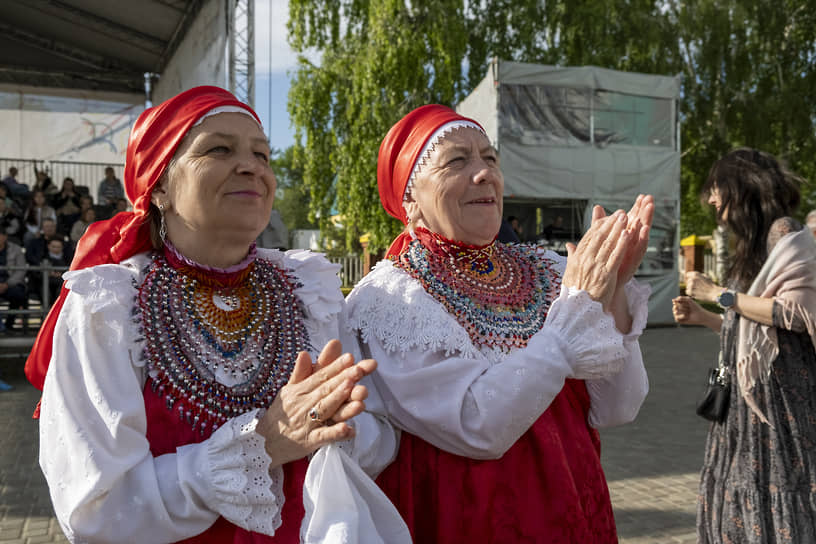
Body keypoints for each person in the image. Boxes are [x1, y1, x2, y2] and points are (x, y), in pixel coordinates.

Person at [26, 86, 406, 543]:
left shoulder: (309, 289)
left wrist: (337, 425)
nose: (252, 166)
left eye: (262, 154)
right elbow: (97, 509)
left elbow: (377, 442)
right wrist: (262, 446)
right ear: (160, 185)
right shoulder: (107, 305)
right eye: (219, 149)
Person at [345, 104, 653, 542]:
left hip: (573, 509)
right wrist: (576, 311)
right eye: (457, 160)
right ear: (409, 198)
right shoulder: (393, 296)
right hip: (467, 520)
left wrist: (613, 290)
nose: (484, 173)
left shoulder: (547, 269)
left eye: (490, 159)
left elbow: (619, 407)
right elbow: (478, 426)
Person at [671, 148, 816, 542]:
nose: (713, 199)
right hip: (744, 412)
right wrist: (705, 317)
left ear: (743, 186)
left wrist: (718, 293)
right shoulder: (750, 247)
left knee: (778, 497)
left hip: (780, 411)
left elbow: (796, 316)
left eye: (717, 189)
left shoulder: (785, 232)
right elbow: (754, 332)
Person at [0, 229, 28, 332]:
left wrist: (7, 284)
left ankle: (8, 325)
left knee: (18, 294)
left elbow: (21, 269)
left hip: (11, 283)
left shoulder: (16, 249)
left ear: (5, 236)